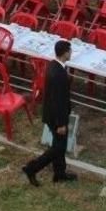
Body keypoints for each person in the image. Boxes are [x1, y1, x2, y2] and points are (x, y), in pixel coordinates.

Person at [22, 40, 77, 186]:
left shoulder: (53, 66)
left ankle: (59, 173)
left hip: (51, 114)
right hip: (57, 117)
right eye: (70, 51)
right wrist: (61, 123)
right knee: (58, 148)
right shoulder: (58, 73)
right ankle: (32, 168)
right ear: (65, 52)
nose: (71, 53)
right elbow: (58, 100)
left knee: (59, 145)